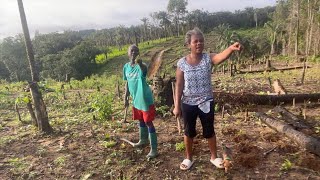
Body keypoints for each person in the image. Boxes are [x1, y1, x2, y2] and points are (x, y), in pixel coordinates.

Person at [173, 28, 241, 170]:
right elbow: (179, 85)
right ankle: (188, 158)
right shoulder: (182, 63)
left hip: (206, 102)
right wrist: (177, 106)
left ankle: (214, 157)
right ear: (188, 44)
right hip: (188, 103)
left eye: (201, 41)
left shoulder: (208, 58)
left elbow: (221, 57)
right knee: (189, 132)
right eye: (195, 41)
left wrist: (230, 48)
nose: (199, 43)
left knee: (209, 130)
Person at [123, 44, 158, 158]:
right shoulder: (126, 67)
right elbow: (127, 83)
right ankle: (143, 140)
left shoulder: (141, 66)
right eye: (131, 51)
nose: (133, 53)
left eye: (136, 51)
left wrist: (140, 63)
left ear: (138, 54)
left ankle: (154, 149)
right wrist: (125, 97)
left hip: (145, 98)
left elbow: (143, 69)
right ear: (128, 53)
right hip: (136, 99)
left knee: (148, 122)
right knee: (140, 120)